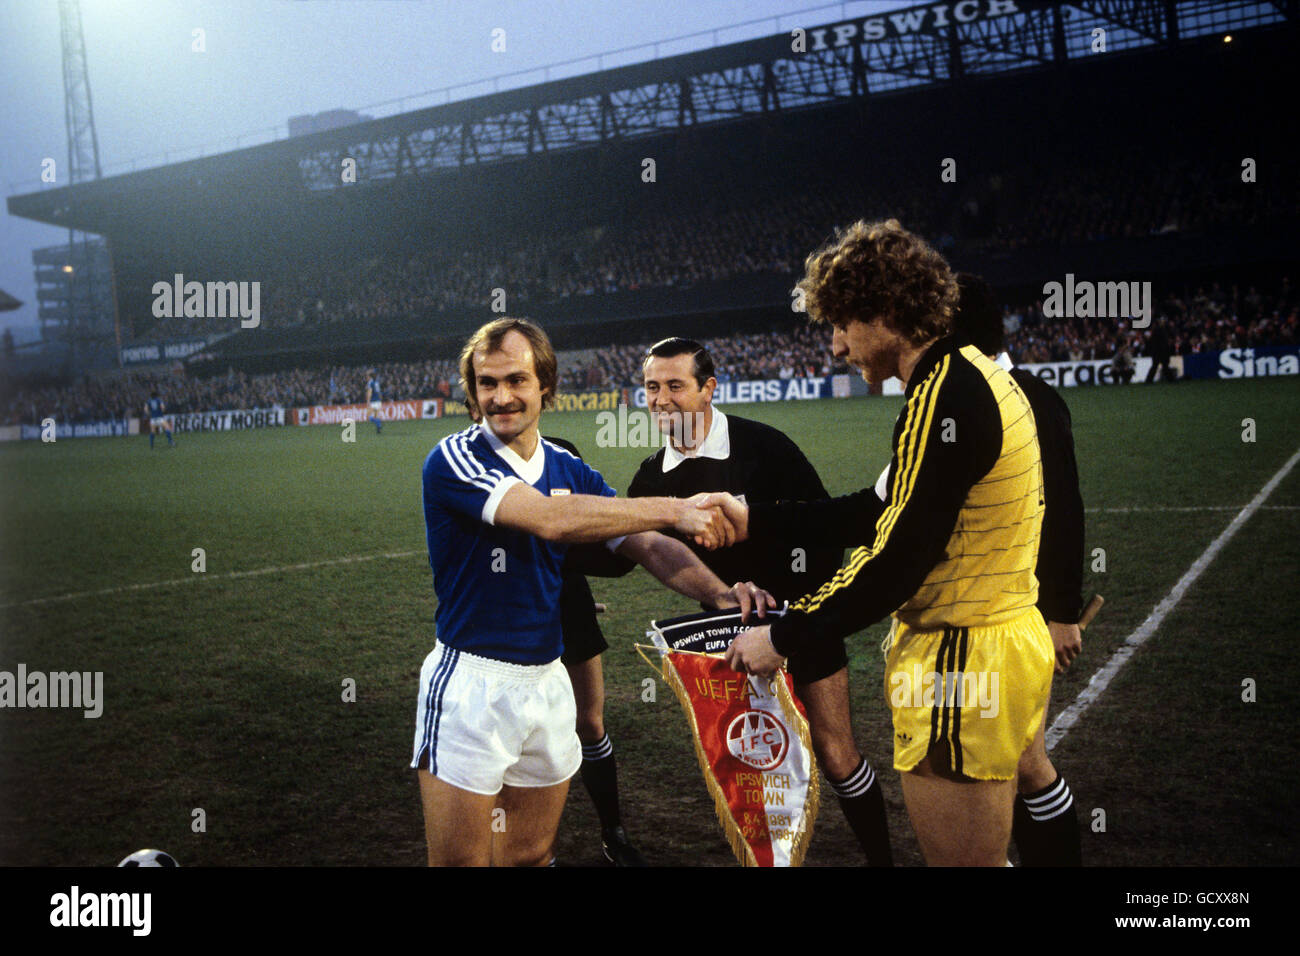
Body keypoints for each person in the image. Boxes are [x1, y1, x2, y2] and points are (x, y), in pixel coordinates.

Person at [709, 219, 1055, 867]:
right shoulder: (964, 378)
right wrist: (751, 516)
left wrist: (783, 634)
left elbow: (894, 562)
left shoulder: (944, 397)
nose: (836, 347)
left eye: (842, 324)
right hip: (996, 644)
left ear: (888, 313)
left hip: (963, 661)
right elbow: (869, 512)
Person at [414, 317, 773, 867]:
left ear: (545, 387)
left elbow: (646, 545)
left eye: (516, 380)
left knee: (531, 855)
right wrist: (680, 508)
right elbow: (551, 519)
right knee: (461, 862)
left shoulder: (566, 467)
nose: (501, 397)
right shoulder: (456, 458)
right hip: (472, 686)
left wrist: (721, 596)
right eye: (487, 384)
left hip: (547, 679)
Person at [620, 337, 894, 866]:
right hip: (727, 641)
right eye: (652, 387)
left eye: (676, 386)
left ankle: (882, 860)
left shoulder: (765, 447)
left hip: (803, 622)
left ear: (708, 389)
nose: (661, 399)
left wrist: (793, 609)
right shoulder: (652, 479)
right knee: (750, 769)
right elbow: (624, 554)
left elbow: (827, 532)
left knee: (837, 755)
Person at [947, 273, 1085, 866]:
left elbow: (1063, 510)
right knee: (1017, 758)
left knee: (1023, 759)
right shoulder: (968, 395)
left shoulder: (1021, 394)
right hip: (986, 609)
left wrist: (1060, 613)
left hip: (1017, 613)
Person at [365, 369, 384, 434]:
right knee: (376, 416)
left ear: (370, 376)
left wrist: (368, 401)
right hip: (378, 401)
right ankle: (378, 429)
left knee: (368, 417)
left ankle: (379, 424)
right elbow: (379, 392)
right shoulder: (376, 382)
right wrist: (380, 399)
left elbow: (369, 392)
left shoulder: (370, 382)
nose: (366, 377)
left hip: (373, 401)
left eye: (367, 376)